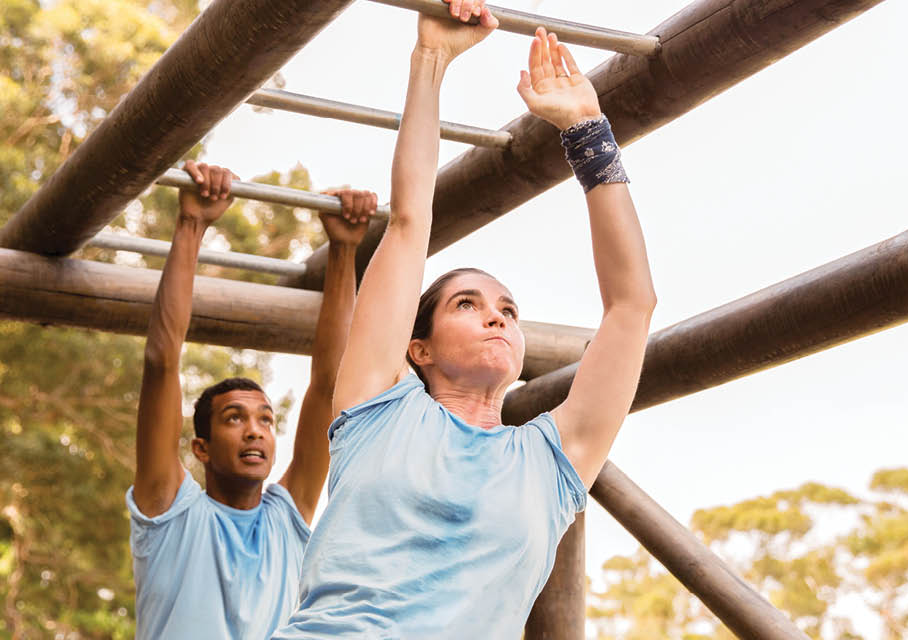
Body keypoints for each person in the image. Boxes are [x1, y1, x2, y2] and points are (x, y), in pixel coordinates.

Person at [272, 1, 656, 637]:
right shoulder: (380, 407)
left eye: (508, 310)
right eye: (467, 304)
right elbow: (408, 222)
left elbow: (631, 305)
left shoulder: (552, 461)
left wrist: (587, 129)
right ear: (417, 349)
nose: (496, 319)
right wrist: (431, 58)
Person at [127, 159, 377, 640]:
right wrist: (192, 222)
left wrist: (344, 249)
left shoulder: (286, 518)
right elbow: (162, 361)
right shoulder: (170, 511)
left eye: (265, 419)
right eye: (234, 419)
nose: (254, 431)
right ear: (200, 448)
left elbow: (330, 384)